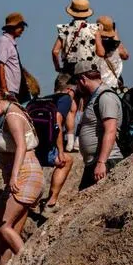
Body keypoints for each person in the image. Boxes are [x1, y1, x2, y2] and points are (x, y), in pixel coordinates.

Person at [0, 86, 44, 265]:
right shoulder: (13, 112)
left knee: (2, 226)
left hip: (25, 174)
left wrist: (14, 175)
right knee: (10, 230)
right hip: (23, 174)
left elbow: (21, 147)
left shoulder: (12, 116)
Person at [72, 61, 123, 191]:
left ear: (82, 79)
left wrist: (101, 163)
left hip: (107, 162)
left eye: (76, 83)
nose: (76, 87)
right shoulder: (94, 97)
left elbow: (110, 130)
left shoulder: (105, 97)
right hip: (95, 162)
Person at [39, 75, 76, 212]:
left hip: (33, 146)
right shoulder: (65, 99)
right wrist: (60, 151)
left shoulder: (42, 99)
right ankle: (51, 201)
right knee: (66, 161)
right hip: (45, 149)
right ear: (68, 89)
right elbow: (57, 121)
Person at [51, 0, 97, 76]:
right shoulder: (94, 29)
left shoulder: (64, 29)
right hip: (88, 68)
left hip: (69, 68)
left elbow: (55, 51)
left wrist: (57, 67)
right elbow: (100, 52)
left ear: (71, 13)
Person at [0, 13, 27, 101]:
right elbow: (0, 65)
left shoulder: (10, 43)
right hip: (8, 89)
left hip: (14, 89)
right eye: (19, 26)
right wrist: (4, 89)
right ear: (12, 27)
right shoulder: (4, 41)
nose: (22, 29)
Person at [94, 16, 129, 92]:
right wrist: (115, 35)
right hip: (113, 88)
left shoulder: (93, 45)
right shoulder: (116, 47)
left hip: (97, 87)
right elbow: (125, 56)